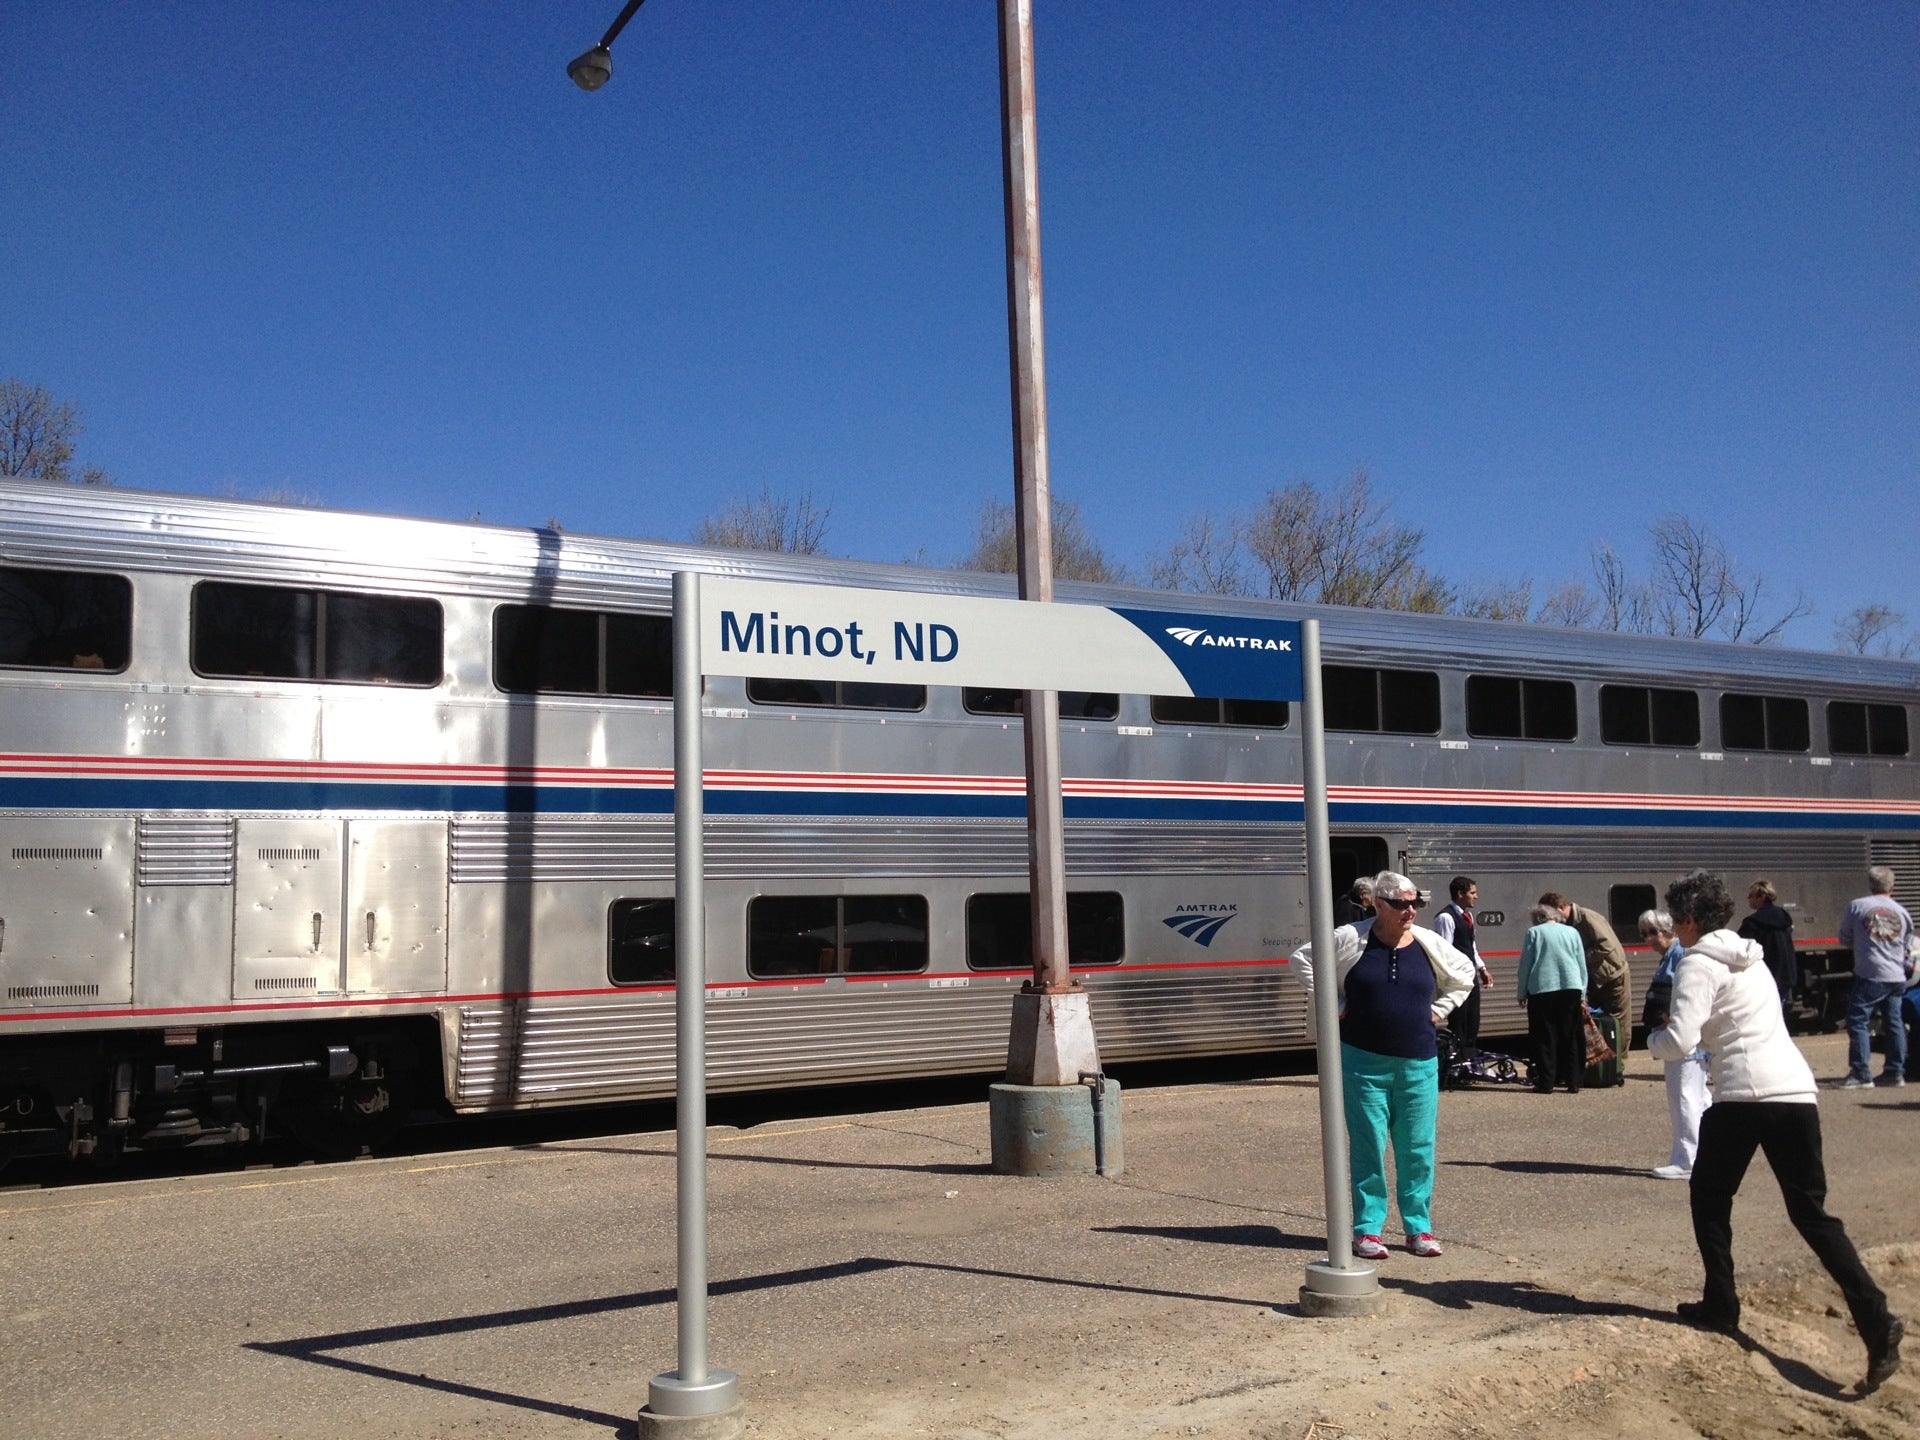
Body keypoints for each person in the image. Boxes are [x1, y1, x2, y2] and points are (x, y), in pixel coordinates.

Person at [1648, 869, 1903, 1394]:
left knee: (1709, 1195)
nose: (1675, 928)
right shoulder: (1753, 957)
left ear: (1690, 920)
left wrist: (1651, 1039)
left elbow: (1680, 1040)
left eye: (1676, 919)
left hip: (1744, 1093)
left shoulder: (1697, 962)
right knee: (1812, 1213)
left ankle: (1722, 1303)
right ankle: (1876, 1320)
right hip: (1796, 1091)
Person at [1292, 870, 1476, 1261]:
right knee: (1369, 1147)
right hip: (1362, 1062)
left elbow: (1465, 974)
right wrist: (1334, 1004)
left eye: (1415, 903)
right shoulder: (1351, 937)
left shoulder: (1427, 943)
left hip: (1419, 1063)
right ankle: (1368, 1231)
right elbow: (1302, 958)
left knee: (1418, 1149)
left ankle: (1418, 1228)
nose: (1410, 910)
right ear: (1378, 904)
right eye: (1401, 903)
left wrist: (1440, 1009)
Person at [1639, 909, 1708, 1180]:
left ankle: (1686, 1160)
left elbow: (1688, 994)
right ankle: (1699, 1155)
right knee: (1698, 1098)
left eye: (1654, 932)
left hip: (1683, 1039)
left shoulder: (1680, 955)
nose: (1650, 939)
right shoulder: (1672, 955)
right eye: (1645, 934)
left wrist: (1672, 1018)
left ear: (1669, 929)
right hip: (1685, 1038)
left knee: (1684, 1097)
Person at [1837, 866, 1913, 1089]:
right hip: (1897, 975)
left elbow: (1844, 937)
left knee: (1858, 1019)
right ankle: (1895, 1072)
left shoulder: (1858, 906)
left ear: (1870, 885)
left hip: (1870, 973)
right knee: (1895, 1023)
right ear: (1893, 887)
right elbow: (1907, 944)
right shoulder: (1902, 912)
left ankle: (1861, 1073)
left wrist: (1863, 947)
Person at [1515, 904, 1588, 1093]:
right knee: (1571, 1036)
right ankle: (1574, 1081)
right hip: (1571, 987)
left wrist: (1521, 992)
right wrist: (1583, 992)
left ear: (1538, 918)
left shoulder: (1534, 933)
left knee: (1545, 1037)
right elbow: (1581, 964)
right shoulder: (1572, 932)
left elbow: (1526, 964)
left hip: (1542, 989)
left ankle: (1546, 1082)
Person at [1540, 892, 1631, 1024]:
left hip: (1612, 977)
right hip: (1594, 981)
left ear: (1560, 907)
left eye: (1551, 914)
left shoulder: (1587, 917)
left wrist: (1579, 958)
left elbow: (1606, 945)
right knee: (1596, 1022)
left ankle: (1619, 1045)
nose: (1550, 919)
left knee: (1616, 1022)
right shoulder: (1565, 925)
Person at [1431, 876, 1492, 1051]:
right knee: (1459, 1023)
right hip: (1457, 979)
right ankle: (1457, 1064)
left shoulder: (1468, 916)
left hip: (1470, 976)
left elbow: (1471, 946)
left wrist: (1482, 968)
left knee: (1473, 1021)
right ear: (1460, 894)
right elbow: (1445, 950)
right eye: (1472, 893)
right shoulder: (1446, 917)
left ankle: (1469, 1061)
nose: (1476, 897)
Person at [1737, 879, 1797, 1009]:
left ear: (1762, 897)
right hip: (1786, 975)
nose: (1748, 899)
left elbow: (1740, 948)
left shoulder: (1752, 923)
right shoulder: (1785, 917)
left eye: (1751, 895)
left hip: (1765, 976)